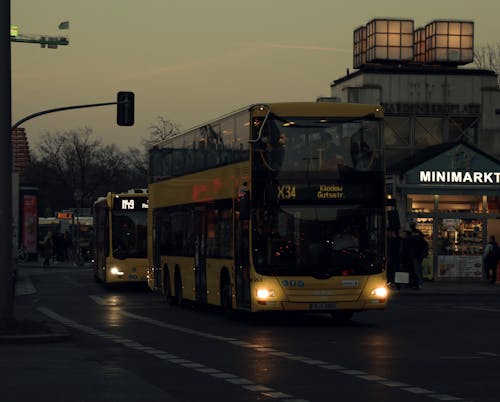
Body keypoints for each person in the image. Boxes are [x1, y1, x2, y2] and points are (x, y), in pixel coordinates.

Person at [409, 222, 428, 290]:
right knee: (417, 270)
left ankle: (419, 283)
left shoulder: (417, 240)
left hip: (417, 257)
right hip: (418, 257)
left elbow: (415, 249)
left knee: (417, 270)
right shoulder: (419, 239)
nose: (412, 234)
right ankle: (418, 283)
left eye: (413, 233)